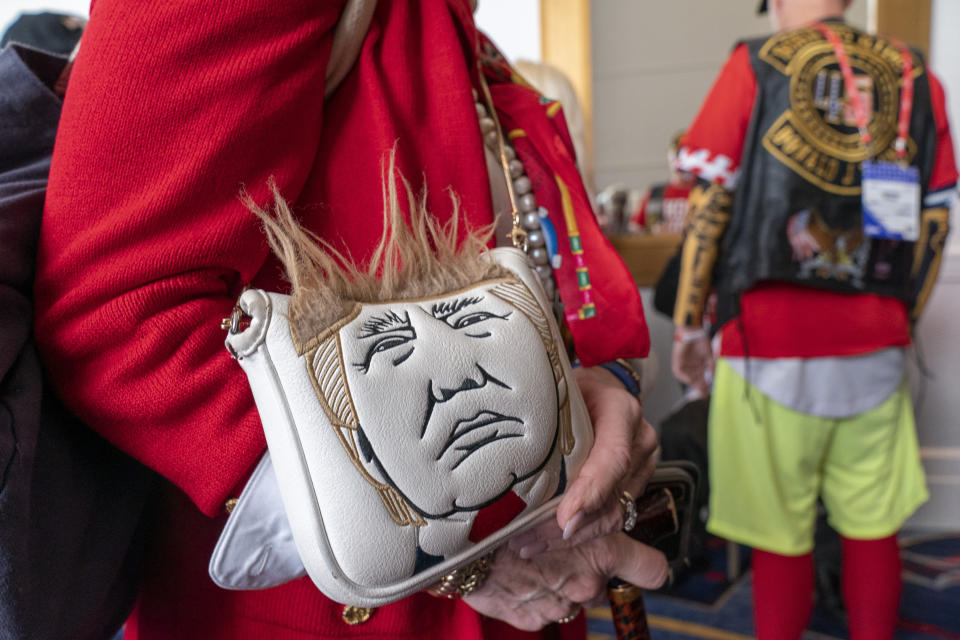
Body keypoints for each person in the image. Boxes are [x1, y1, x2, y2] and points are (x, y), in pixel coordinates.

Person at [33, 1, 666, 638]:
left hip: (523, 561)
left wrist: (588, 400)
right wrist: (447, 544)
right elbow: (113, 314)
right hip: (336, 611)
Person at [670, 0, 957, 638]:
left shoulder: (752, 64)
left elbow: (710, 208)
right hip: (878, 345)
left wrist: (690, 328)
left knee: (780, 536)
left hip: (766, 345)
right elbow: (934, 222)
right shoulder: (917, 75)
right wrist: (898, 320)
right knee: (874, 529)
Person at [628, 131, 696, 235]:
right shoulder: (655, 193)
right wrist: (653, 233)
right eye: (675, 155)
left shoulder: (703, 193)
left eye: (683, 155)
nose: (678, 161)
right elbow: (636, 227)